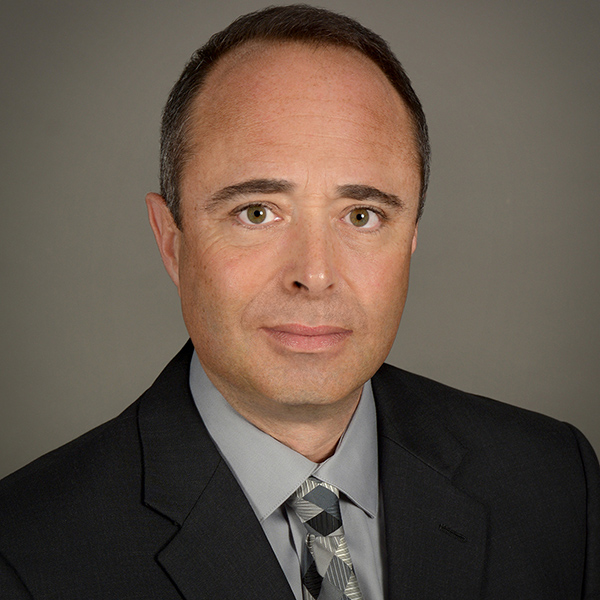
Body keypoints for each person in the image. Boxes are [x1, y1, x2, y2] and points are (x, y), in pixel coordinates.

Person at [0, 5, 598, 599]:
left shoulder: (556, 482)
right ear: (171, 240)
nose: (314, 275)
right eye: (257, 212)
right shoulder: (25, 553)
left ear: (411, 236)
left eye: (361, 215)